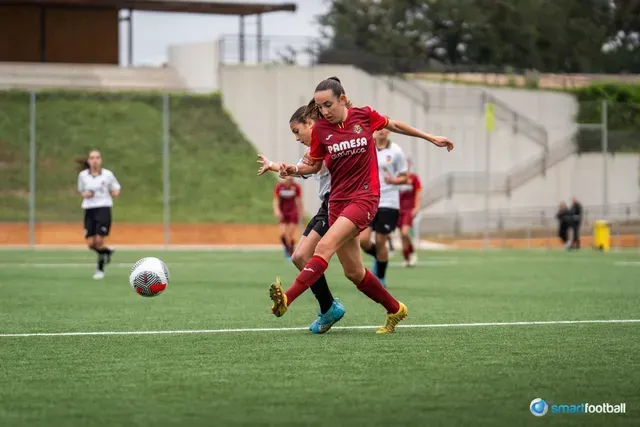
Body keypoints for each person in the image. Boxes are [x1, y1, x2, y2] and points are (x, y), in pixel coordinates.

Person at [269, 76, 453, 334]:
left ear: (342, 99)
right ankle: (395, 309)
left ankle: (286, 298)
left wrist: (430, 136)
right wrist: (292, 169)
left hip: (364, 198)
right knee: (354, 272)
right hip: (337, 204)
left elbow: (395, 125)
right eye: (320, 107)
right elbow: (313, 165)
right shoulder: (322, 131)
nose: (324, 111)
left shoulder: (364, 116)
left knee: (322, 247)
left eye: (328, 105)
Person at [257, 106, 345, 334]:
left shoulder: (333, 139)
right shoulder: (315, 148)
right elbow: (300, 168)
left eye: (298, 131)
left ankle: (329, 308)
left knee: (307, 257)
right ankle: (330, 308)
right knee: (300, 257)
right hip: (327, 205)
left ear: (310, 123)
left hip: (340, 204)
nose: (297, 138)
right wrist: (275, 166)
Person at [359, 126, 408, 286]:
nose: (381, 131)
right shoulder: (366, 147)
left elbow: (404, 177)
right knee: (363, 240)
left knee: (381, 241)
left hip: (388, 201)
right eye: (378, 128)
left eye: (384, 129)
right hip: (369, 199)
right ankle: (379, 257)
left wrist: (393, 181)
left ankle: (380, 278)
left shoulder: (396, 151)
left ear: (388, 132)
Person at [76, 150, 120, 280]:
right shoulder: (83, 175)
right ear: (89, 161)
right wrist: (85, 194)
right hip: (89, 209)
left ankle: (100, 270)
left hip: (103, 208)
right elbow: (81, 190)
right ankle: (107, 252)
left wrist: (115, 192)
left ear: (100, 160)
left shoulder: (107, 175)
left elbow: (116, 187)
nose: (94, 160)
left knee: (99, 241)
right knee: (90, 243)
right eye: (92, 158)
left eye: (97, 158)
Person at [398, 160, 422, 267]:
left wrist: (417, 207)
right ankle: (406, 258)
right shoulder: (397, 178)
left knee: (405, 232)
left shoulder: (413, 178)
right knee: (401, 235)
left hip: (409, 209)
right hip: (398, 209)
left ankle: (412, 252)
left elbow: (418, 192)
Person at [273, 177, 302, 259]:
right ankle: (287, 248)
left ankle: (290, 253)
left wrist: (301, 212)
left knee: (289, 235)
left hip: (293, 212)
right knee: (283, 234)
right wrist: (277, 210)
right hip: (283, 212)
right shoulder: (279, 186)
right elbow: (276, 200)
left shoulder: (296, 187)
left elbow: (299, 200)